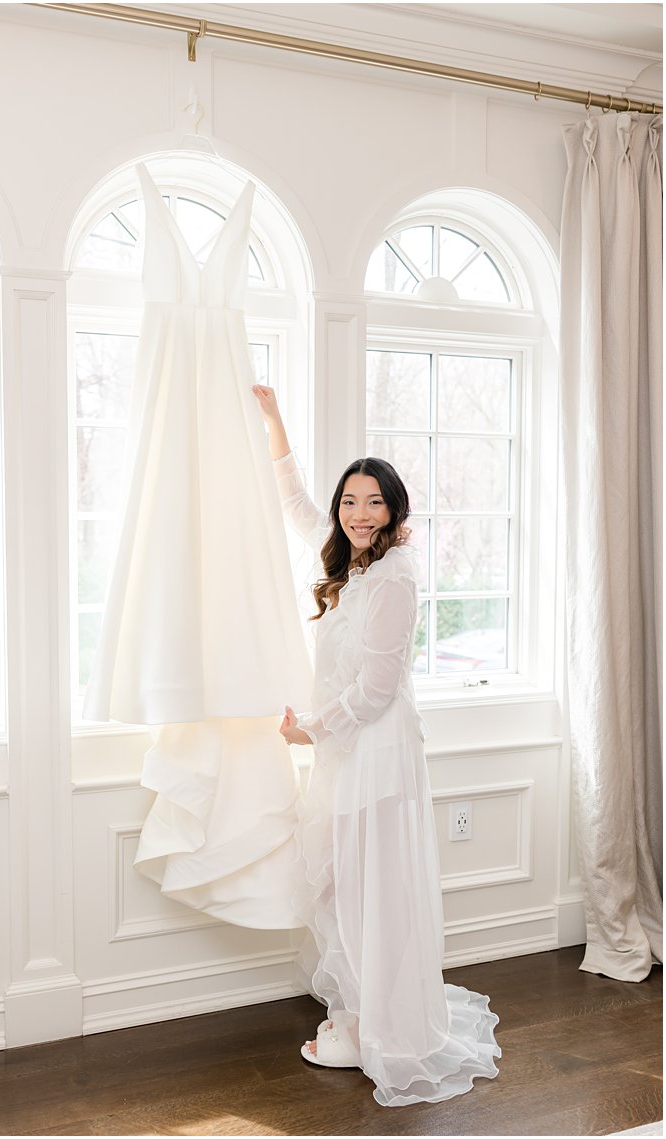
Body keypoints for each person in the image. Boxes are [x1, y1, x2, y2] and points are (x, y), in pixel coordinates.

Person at [253, 384, 500, 1107]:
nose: (359, 514)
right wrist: (274, 419)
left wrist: (310, 726)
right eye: (351, 501)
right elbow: (294, 500)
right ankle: (362, 1010)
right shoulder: (349, 561)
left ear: (395, 512)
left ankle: (382, 1025)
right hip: (345, 751)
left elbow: (378, 687)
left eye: (374, 503)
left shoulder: (394, 577)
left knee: (372, 884)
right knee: (342, 881)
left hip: (376, 749)